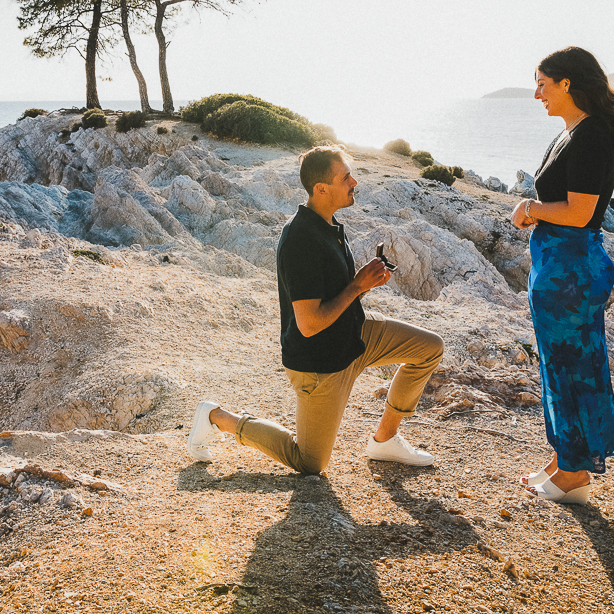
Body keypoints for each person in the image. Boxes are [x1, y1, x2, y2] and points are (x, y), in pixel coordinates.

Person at [186, 145, 444, 474]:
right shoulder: (300, 239)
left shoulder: (329, 225)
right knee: (310, 463)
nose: (354, 182)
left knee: (429, 348)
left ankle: (384, 441)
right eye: (346, 177)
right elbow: (309, 324)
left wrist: (363, 285)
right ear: (321, 188)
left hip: (355, 337)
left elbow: (334, 296)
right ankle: (216, 417)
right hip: (320, 363)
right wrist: (357, 286)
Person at [509, 46, 614, 505]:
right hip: (557, 265)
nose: (536, 93)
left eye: (542, 83)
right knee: (558, 367)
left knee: (573, 369)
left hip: (572, 271)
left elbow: (581, 212)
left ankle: (575, 475)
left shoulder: (591, 138)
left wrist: (529, 209)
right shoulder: (572, 132)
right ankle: (566, 457)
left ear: (567, 83)